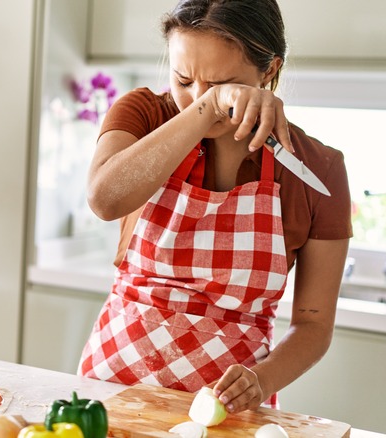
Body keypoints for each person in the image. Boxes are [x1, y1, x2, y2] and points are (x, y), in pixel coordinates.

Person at [78, 0, 352, 414]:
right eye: (183, 79)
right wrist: (208, 106)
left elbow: (313, 325)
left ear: (270, 70)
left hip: (224, 411)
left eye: (224, 81)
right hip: (112, 386)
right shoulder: (144, 114)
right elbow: (105, 198)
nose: (195, 98)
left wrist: (261, 381)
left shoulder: (318, 169)